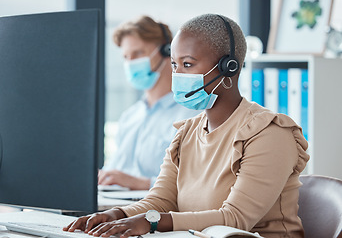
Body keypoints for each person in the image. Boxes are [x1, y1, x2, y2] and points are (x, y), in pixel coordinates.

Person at [64, 14, 310, 238]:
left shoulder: (269, 132)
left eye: (188, 64)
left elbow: (236, 219)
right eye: (174, 64)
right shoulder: (186, 132)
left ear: (229, 67)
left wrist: (152, 222)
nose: (178, 75)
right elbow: (160, 200)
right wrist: (117, 215)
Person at [98, 16, 199, 190]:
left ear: (167, 51)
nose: (131, 64)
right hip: (113, 208)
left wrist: (140, 183)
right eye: (126, 57)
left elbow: (197, 181)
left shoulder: (191, 114)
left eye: (137, 54)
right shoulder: (130, 117)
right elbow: (114, 172)